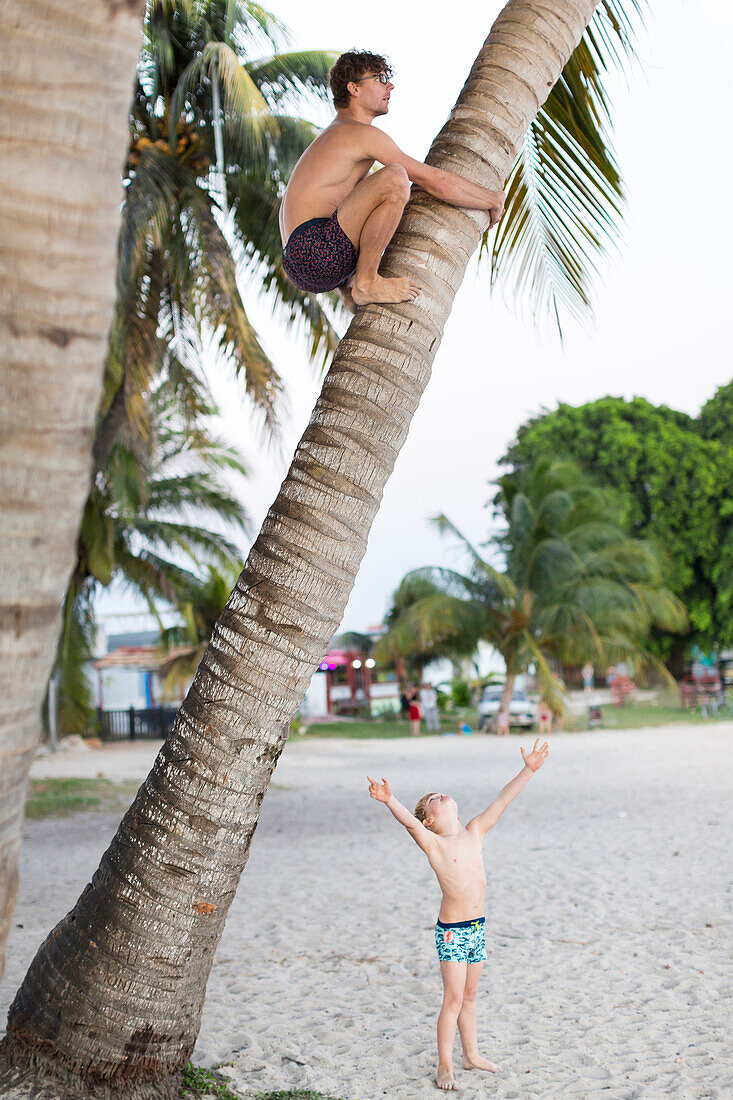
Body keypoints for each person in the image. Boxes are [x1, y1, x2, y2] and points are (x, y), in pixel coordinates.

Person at [367, 738, 549, 1091]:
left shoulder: (474, 831)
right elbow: (410, 824)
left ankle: (471, 1055)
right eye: (434, 799)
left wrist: (528, 770)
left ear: (459, 813)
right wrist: (391, 800)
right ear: (431, 819)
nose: (441, 795)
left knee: (469, 997)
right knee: (452, 998)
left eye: (442, 794)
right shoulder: (434, 843)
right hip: (452, 932)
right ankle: (445, 1065)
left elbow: (503, 800)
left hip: (478, 928)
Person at [279, 50, 505, 311]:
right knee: (395, 177)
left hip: (301, 262)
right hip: (315, 250)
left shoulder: (334, 135)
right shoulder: (358, 133)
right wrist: (492, 199)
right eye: (380, 78)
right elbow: (434, 182)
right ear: (354, 89)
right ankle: (366, 282)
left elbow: (339, 209)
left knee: (374, 186)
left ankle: (350, 287)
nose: (390, 85)